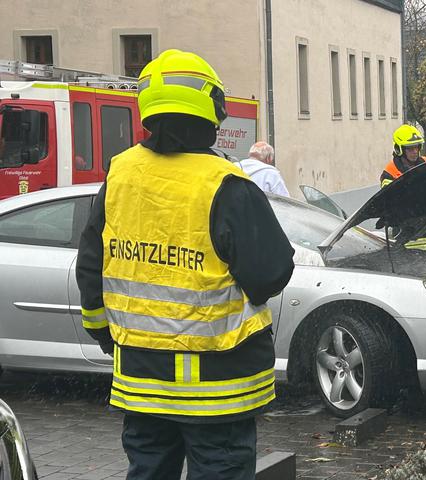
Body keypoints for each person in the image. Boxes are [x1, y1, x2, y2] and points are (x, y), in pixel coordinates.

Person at [75, 49, 295, 479]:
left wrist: (106, 333)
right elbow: (271, 272)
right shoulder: (226, 183)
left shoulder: (120, 173)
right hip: (219, 387)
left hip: (141, 382)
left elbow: (91, 264)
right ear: (212, 112)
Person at [380, 124, 426, 251]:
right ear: (400, 149)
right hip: (410, 244)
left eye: (416, 147)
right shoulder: (390, 173)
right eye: (410, 148)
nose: (415, 151)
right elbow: (393, 206)